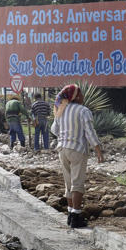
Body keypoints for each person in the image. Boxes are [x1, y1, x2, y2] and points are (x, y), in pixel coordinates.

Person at [50, 84, 104, 228]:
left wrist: (65, 135)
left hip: (62, 149)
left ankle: (70, 214)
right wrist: (98, 150)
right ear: (76, 96)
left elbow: (54, 130)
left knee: (68, 184)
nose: (83, 97)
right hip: (77, 150)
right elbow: (90, 132)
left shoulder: (61, 110)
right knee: (77, 184)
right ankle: (76, 216)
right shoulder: (83, 111)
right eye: (81, 94)